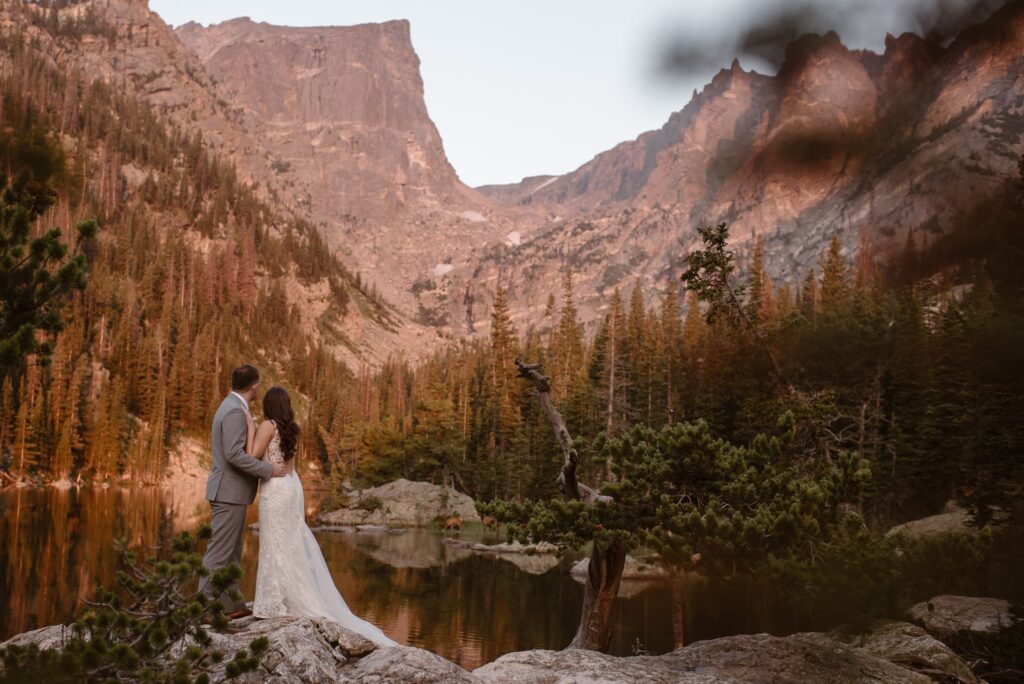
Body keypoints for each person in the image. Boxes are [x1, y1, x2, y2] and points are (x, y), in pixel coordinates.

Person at [248, 386, 396, 647]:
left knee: (274, 543)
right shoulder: (290, 427)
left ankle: (273, 602)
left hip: (276, 488)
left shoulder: (267, 426)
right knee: (290, 543)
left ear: (269, 405)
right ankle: (283, 596)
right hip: (292, 485)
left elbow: (251, 458)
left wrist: (250, 428)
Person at [201, 365, 287, 619]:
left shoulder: (234, 407)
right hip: (228, 492)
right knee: (219, 553)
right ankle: (206, 608)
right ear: (255, 386)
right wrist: (267, 469)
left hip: (232, 492)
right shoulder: (233, 411)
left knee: (232, 551)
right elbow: (234, 455)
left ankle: (231, 605)